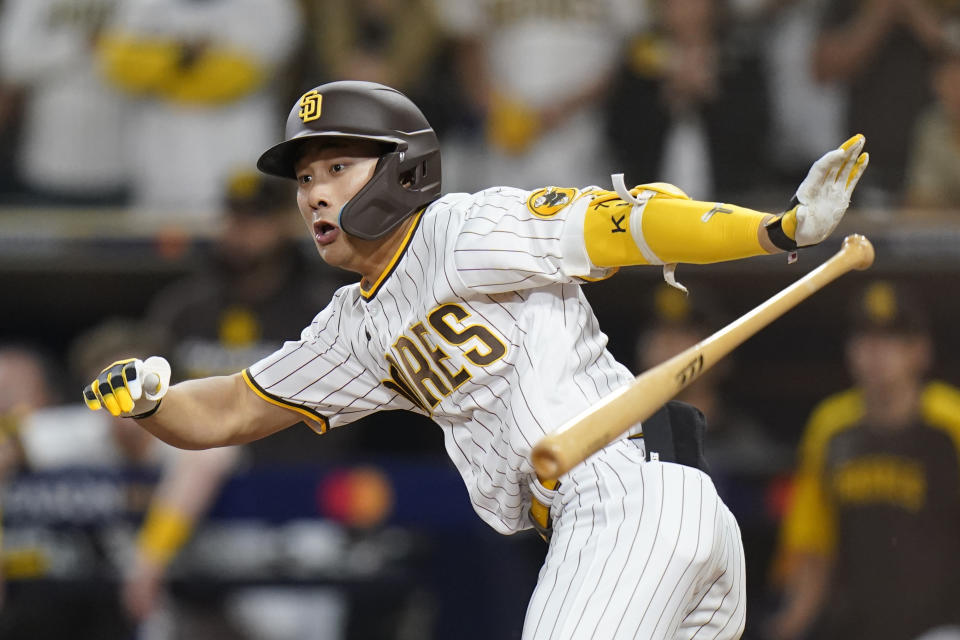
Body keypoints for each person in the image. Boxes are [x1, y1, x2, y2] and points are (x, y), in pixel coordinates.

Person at [82, 80, 868, 639]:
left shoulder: (461, 229)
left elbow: (626, 224)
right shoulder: (352, 327)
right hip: (611, 522)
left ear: (401, 168)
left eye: (337, 168)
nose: (315, 194)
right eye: (307, 178)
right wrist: (155, 402)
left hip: (625, 504)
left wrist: (777, 231)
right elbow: (229, 409)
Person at [768, 281, 960, 640]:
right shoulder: (830, 425)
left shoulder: (951, 421)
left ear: (920, 350)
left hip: (944, 624)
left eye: (892, 340)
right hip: (855, 625)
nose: (876, 353)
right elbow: (813, 541)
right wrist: (791, 621)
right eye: (865, 339)